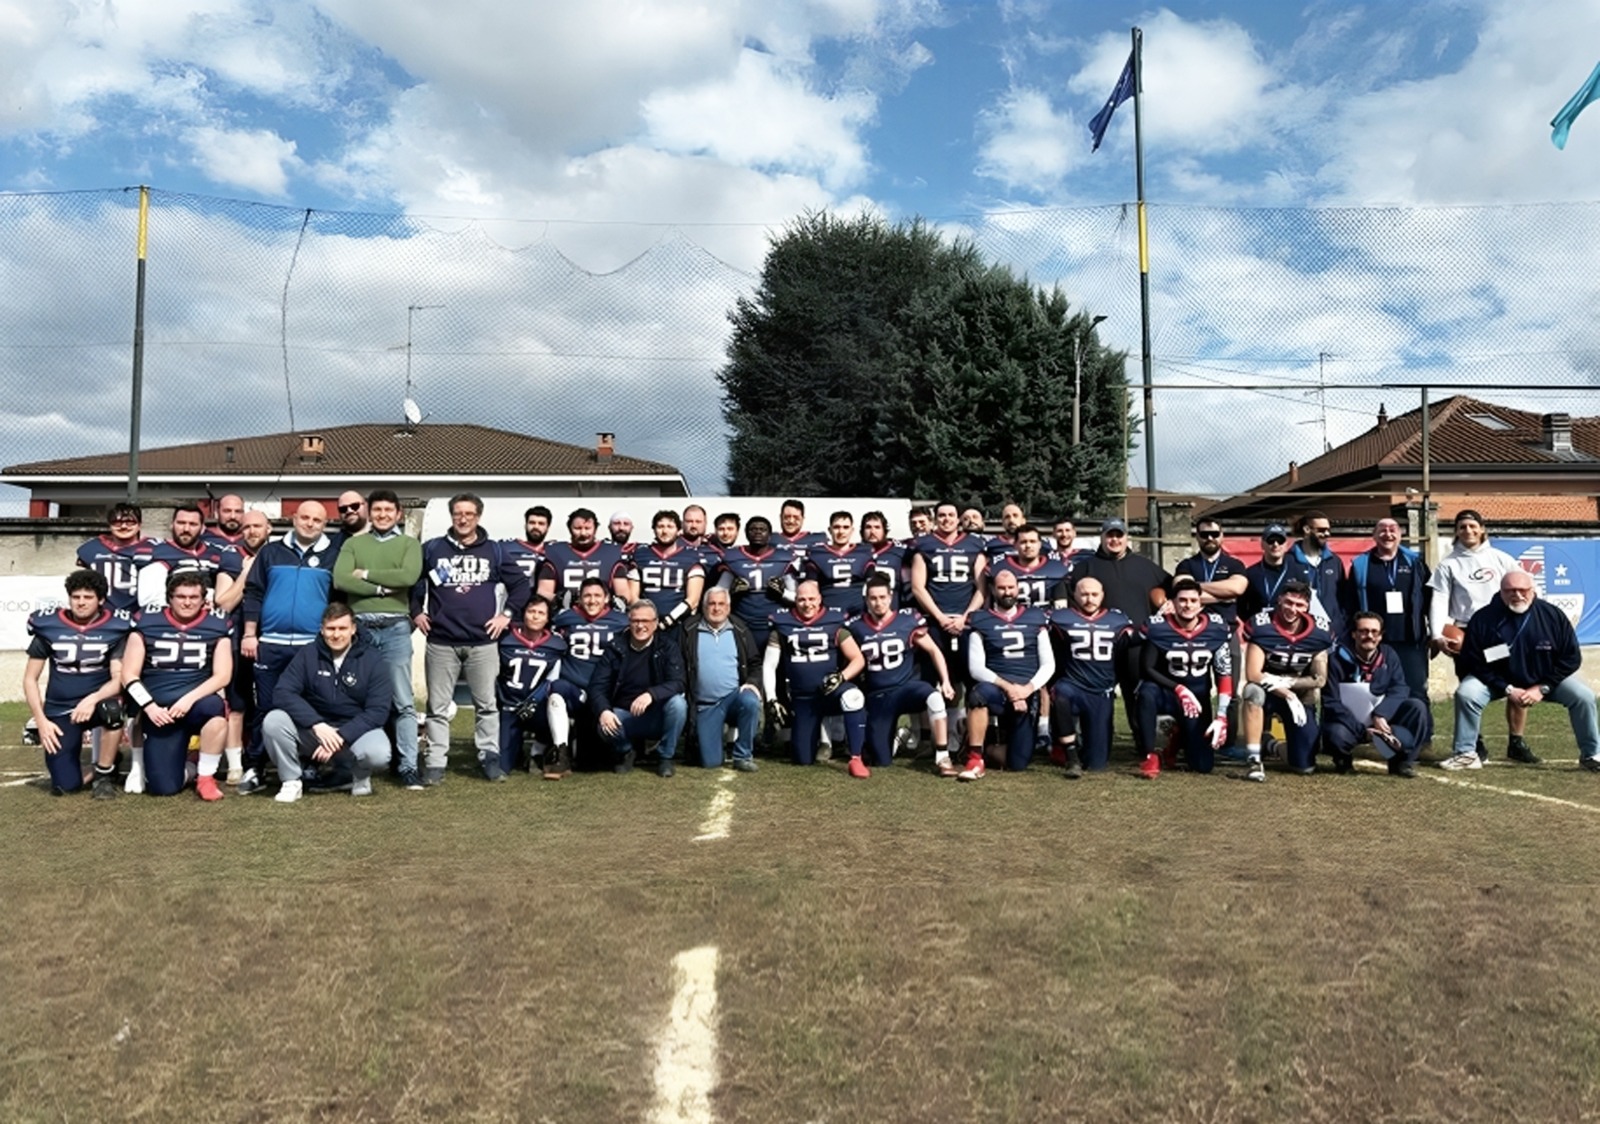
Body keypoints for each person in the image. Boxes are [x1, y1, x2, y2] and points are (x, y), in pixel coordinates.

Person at [411, 492, 530, 786]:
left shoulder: (495, 551)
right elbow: (414, 581)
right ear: (451, 516)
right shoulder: (432, 549)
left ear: (478, 517)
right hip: (441, 641)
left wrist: (507, 615)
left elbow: (521, 585)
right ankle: (436, 763)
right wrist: (416, 611)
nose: (463, 519)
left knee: (487, 705)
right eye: (458, 514)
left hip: (483, 642)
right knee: (437, 708)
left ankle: (488, 758)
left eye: (469, 514)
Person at [1445, 570, 1600, 772]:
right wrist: (1508, 688)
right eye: (1510, 591)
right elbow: (1473, 661)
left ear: (1533, 591)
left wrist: (1542, 687)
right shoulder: (1483, 619)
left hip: (1544, 681)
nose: (1517, 595)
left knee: (1583, 696)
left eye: (1522, 590)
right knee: (1467, 693)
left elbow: (1571, 658)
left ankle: (1591, 755)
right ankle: (1465, 753)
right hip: (1497, 682)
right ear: (1500, 592)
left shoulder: (1552, 616)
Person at [239, 500, 340, 789]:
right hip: (271, 644)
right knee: (266, 708)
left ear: (325, 524)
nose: (310, 523)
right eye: (305, 517)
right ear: (294, 518)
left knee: (310, 709)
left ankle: (308, 765)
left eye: (317, 520)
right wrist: (249, 633)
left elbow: (338, 603)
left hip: (312, 645)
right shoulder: (271, 552)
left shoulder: (334, 554)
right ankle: (255, 767)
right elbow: (254, 592)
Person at [332, 489, 425, 788]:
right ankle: (352, 767)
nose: (383, 515)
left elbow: (408, 577)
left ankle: (409, 766)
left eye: (388, 510)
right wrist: (382, 588)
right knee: (353, 699)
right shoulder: (353, 544)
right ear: (369, 513)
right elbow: (341, 579)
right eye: (377, 510)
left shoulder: (409, 544)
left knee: (403, 703)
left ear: (398, 514)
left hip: (396, 628)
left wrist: (367, 573)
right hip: (360, 628)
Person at [261, 602, 393, 802]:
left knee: (379, 753)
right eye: (331, 629)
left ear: (353, 629)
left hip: (354, 732)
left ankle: (358, 776)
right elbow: (283, 692)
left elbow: (378, 710)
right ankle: (291, 781)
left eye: (342, 628)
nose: (336, 635)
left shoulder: (373, 660)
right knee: (274, 721)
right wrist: (316, 724)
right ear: (322, 630)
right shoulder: (307, 654)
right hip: (315, 731)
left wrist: (341, 736)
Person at [120, 571, 234, 799]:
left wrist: (188, 699)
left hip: (196, 703)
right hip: (160, 710)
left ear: (204, 600)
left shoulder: (217, 624)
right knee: (163, 788)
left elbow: (223, 675)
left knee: (215, 709)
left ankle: (206, 777)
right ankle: (191, 767)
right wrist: (150, 707)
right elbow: (128, 674)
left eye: (193, 597)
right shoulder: (146, 621)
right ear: (169, 597)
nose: (187, 602)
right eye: (181, 596)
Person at [1051, 517, 1170, 734]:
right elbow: (1064, 593)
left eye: (1119, 535)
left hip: (1134, 645)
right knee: (1095, 698)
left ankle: (1144, 746)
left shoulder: (1145, 566)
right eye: (1110, 535)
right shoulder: (1085, 567)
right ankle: (1094, 740)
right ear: (1102, 537)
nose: (1114, 539)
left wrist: (1168, 602)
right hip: (1095, 648)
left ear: (1127, 538)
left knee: (1136, 695)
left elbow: (1173, 587)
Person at [1428, 509, 1528, 763]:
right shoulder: (1448, 564)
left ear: (1482, 528)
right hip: (1468, 636)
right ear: (1456, 532)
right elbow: (1439, 600)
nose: (1468, 531)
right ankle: (1475, 742)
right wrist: (1437, 634)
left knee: (1517, 680)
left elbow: (1524, 588)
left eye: (1473, 526)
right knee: (1470, 688)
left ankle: (1516, 742)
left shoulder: (1501, 559)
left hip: (1502, 635)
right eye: (1462, 527)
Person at [24, 570, 133, 797]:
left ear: (101, 599)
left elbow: (118, 679)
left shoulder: (115, 626)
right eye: (76, 597)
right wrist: (42, 721)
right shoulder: (48, 624)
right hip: (60, 706)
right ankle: (102, 764)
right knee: (65, 786)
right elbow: (30, 678)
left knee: (113, 710)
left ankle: (104, 775)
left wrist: (92, 699)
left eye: (88, 597)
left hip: (98, 703)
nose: (81, 602)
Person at [847, 572, 955, 773]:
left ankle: (943, 756)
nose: (878, 603)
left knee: (934, 697)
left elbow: (933, 650)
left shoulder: (906, 620)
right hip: (878, 696)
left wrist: (945, 681)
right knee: (881, 760)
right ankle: (898, 735)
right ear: (866, 600)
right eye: (873, 598)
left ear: (890, 597)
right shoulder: (856, 626)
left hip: (906, 688)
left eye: (882, 597)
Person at [960, 568, 1055, 779]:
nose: (1007, 592)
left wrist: (1026, 690)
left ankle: (986, 747)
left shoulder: (1035, 616)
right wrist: (1009, 688)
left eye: (1011, 587)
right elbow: (976, 668)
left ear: (1018, 589)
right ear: (993, 589)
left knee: (1018, 763)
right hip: (997, 689)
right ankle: (974, 757)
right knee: (978, 695)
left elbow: (1048, 664)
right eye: (1002, 588)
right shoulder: (980, 619)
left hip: (1027, 692)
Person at [764, 579, 868, 770]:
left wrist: (842, 677)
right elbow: (769, 665)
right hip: (803, 698)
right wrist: (771, 698)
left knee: (853, 696)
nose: (807, 604)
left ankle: (856, 758)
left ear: (820, 599)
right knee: (802, 758)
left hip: (830, 691)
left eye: (812, 598)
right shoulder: (782, 622)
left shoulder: (834, 620)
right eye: (802, 599)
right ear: (795, 600)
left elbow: (858, 659)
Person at [1134, 577, 1231, 779]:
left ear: (1201, 604)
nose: (1188, 605)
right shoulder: (1159, 627)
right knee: (1146, 693)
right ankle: (1150, 754)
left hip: (1197, 698)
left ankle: (1176, 740)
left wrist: (1221, 715)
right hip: (1166, 693)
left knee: (1203, 766)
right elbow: (1147, 668)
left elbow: (1224, 672)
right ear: (1173, 602)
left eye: (1193, 600)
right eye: (1183, 600)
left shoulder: (1217, 630)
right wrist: (1178, 688)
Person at [1239, 580, 1332, 781]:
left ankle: (1270, 744)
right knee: (1252, 691)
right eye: (1289, 602)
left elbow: (1320, 679)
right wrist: (1286, 693)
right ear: (1280, 599)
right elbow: (1254, 674)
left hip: (1298, 695)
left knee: (1304, 766)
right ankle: (1254, 760)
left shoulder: (1320, 632)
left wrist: (1291, 686)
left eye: (1299, 605)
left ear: (1307, 606)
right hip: (1268, 692)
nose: (1293, 609)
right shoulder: (1262, 625)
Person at [909, 501, 989, 735]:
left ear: (959, 518)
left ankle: (969, 734)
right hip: (935, 621)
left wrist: (965, 616)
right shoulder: (924, 544)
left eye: (951, 515)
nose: (946, 519)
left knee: (971, 678)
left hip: (967, 623)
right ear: (936, 519)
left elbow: (982, 587)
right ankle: (930, 736)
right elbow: (918, 587)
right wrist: (941, 617)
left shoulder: (975, 544)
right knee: (931, 679)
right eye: (942, 515)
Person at [1320, 611, 1432, 778]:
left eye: (1374, 632)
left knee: (1417, 707)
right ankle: (1342, 760)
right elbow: (1330, 702)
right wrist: (1362, 730)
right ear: (1354, 634)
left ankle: (1402, 762)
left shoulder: (1389, 655)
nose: (1369, 636)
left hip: (1382, 722)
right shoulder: (1336, 660)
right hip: (1349, 722)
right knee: (1336, 734)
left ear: (1380, 636)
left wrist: (1381, 715)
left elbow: (1400, 688)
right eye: (1363, 631)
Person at [588, 600, 688, 776]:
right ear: (629, 621)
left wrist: (651, 694)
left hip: (658, 713)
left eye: (646, 621)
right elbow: (597, 686)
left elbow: (678, 682)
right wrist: (604, 711)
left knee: (678, 704)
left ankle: (665, 757)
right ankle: (626, 751)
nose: (640, 626)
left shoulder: (667, 646)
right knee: (604, 725)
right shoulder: (615, 647)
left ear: (655, 623)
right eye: (635, 621)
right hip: (625, 715)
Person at [1048, 576, 1132, 776]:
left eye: (1094, 594)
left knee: (1096, 764)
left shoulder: (1117, 620)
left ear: (1102, 596)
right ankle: (1070, 754)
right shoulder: (1061, 618)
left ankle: (1083, 749)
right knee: (1060, 694)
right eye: (1084, 594)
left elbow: (1123, 654)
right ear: (1074, 595)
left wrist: (1114, 682)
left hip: (1100, 690)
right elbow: (1055, 652)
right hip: (1073, 685)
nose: (1089, 599)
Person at [213, 508, 273, 784]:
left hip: (271, 637)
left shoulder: (279, 552)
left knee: (271, 701)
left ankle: (268, 758)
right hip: (237, 638)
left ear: (269, 528)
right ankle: (236, 763)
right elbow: (224, 602)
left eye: (257, 526)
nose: (251, 531)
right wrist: (245, 575)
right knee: (238, 701)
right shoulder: (231, 555)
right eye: (246, 527)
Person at [1343, 517, 1430, 700]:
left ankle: (1420, 728)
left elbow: (1429, 598)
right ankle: (1379, 728)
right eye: (1382, 530)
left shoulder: (1415, 562)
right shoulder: (1360, 564)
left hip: (1410, 639)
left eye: (1392, 529)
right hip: (1374, 640)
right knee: (1376, 691)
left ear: (1400, 534)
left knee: (1416, 691)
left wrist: (1435, 633)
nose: (1387, 534)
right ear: (1374, 535)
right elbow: (1350, 602)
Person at [679, 586, 763, 771]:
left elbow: (755, 663)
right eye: (712, 604)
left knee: (750, 701)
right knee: (710, 763)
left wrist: (752, 683)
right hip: (705, 705)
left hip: (733, 698)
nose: (716, 608)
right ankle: (716, 736)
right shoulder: (688, 629)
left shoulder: (740, 629)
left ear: (728, 607)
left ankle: (743, 755)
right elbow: (679, 665)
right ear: (704, 606)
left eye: (721, 604)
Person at [495, 596, 573, 780]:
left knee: (555, 709)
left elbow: (552, 680)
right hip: (509, 707)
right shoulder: (505, 639)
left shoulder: (557, 644)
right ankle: (516, 750)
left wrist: (535, 699)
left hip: (537, 708)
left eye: (541, 613)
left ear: (547, 619)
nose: (535, 617)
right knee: (503, 766)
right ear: (523, 614)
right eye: (531, 611)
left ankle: (539, 750)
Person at [133, 502, 243, 610]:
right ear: (172, 525)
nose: (186, 529)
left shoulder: (219, 552)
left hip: (213, 615)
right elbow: (150, 603)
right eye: (181, 523)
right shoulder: (155, 551)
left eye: (193, 524)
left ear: (202, 528)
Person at [712, 516, 794, 649]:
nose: (757, 532)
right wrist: (732, 593)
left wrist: (782, 593)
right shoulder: (733, 556)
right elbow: (718, 593)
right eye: (753, 529)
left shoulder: (783, 557)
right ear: (746, 533)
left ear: (769, 535)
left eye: (762, 529)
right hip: (743, 621)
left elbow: (798, 597)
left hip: (774, 622)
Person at [630, 509, 706, 630]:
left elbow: (693, 600)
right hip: (646, 624)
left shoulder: (691, 556)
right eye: (660, 526)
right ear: (653, 529)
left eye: (670, 526)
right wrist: (647, 618)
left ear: (678, 530)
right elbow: (632, 596)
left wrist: (669, 620)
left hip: (679, 624)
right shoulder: (641, 554)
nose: (665, 531)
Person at [545, 507, 633, 609]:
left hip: (603, 615)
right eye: (577, 528)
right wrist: (559, 598)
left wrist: (613, 601)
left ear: (595, 529)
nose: (583, 533)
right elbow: (543, 590)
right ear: (569, 529)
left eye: (587, 528)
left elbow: (624, 593)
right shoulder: (556, 552)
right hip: (566, 613)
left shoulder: (611, 552)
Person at [792, 510, 875, 617]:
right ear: (830, 530)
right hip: (828, 613)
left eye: (846, 527)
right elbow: (811, 588)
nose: (841, 531)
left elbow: (872, 586)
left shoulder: (863, 552)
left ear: (852, 530)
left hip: (859, 612)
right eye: (836, 527)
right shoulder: (818, 553)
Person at [77, 501, 154, 614]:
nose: (123, 526)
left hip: (137, 613)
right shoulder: (92, 547)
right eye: (117, 522)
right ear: (109, 524)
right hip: (101, 613)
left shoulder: (153, 548)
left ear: (139, 525)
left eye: (130, 522)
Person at [1238, 523, 1317, 624]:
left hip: (1288, 628)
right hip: (1259, 629)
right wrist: (1252, 623)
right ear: (1262, 544)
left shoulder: (1299, 572)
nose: (1275, 544)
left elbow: (1307, 604)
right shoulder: (1251, 573)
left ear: (1286, 545)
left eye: (1280, 541)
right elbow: (1241, 607)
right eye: (1271, 541)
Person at [1291, 510, 1346, 639]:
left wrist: (1341, 622)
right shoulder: (1288, 560)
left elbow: (1344, 596)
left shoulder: (1334, 561)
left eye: (1328, 530)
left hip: (1332, 632)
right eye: (1321, 530)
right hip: (1300, 632)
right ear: (1307, 529)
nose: (1327, 534)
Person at [988, 523, 1070, 609]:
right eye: (1023, 542)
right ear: (1015, 545)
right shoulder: (1001, 568)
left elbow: (1061, 607)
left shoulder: (1055, 568)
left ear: (1040, 544)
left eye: (1032, 541)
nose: (1028, 545)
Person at [503, 505, 558, 602]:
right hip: (512, 600)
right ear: (525, 525)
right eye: (532, 523)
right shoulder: (508, 547)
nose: (536, 527)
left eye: (541, 524)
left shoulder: (555, 550)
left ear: (548, 527)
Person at [860, 511, 907, 610]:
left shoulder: (900, 551)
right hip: (862, 611)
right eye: (868, 527)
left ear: (885, 530)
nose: (872, 532)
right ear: (862, 531)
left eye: (877, 527)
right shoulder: (856, 553)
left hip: (893, 610)